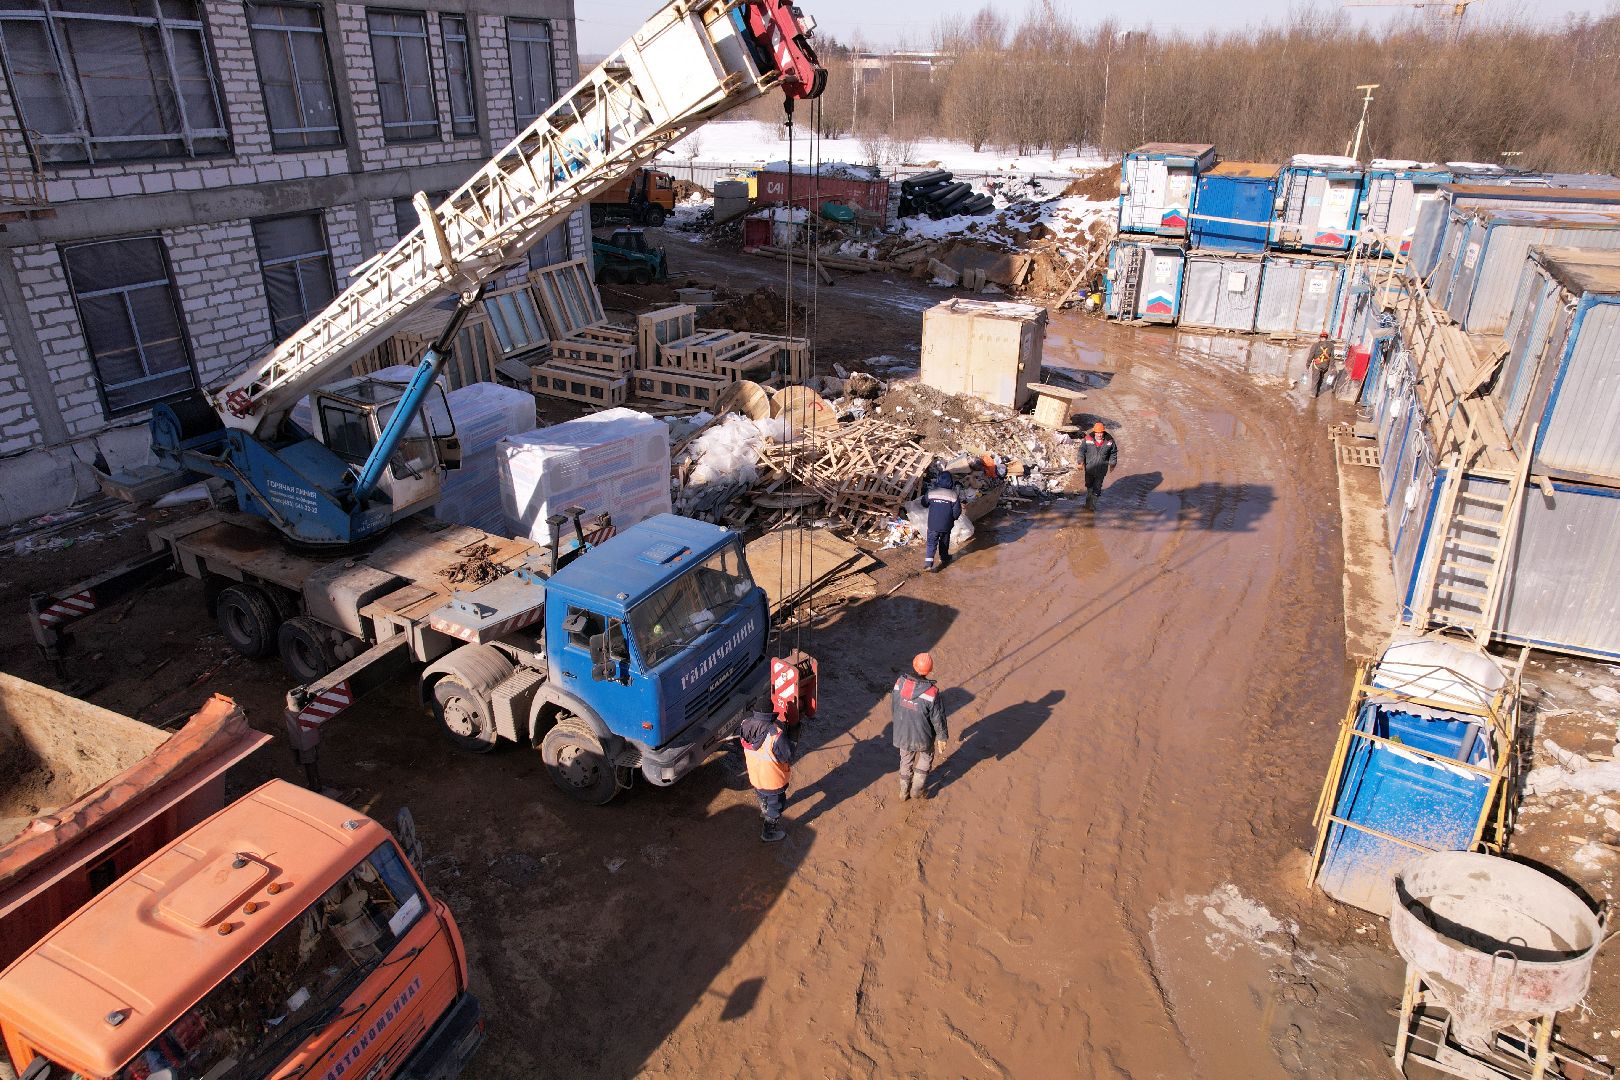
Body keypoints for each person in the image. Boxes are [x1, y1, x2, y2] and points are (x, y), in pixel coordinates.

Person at [892, 652, 951, 801]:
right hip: (924, 736)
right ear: (929, 670)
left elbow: (894, 707)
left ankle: (903, 792)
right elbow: (938, 718)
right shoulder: (932, 693)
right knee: (926, 758)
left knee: (905, 761)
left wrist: (899, 724)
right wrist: (942, 737)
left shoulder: (899, 683)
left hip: (903, 733)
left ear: (914, 665)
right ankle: (917, 790)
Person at [740, 700, 793, 842]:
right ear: (771, 714)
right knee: (776, 805)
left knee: (762, 795)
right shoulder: (776, 734)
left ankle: (764, 811)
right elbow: (787, 756)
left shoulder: (745, 725)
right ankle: (768, 832)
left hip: (755, 776)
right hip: (773, 780)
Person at [923, 473, 962, 572]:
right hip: (946, 525)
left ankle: (928, 563)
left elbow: (924, 503)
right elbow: (957, 511)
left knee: (931, 542)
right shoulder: (953, 495)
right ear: (950, 482)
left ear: (938, 480)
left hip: (932, 524)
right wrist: (952, 518)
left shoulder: (932, 492)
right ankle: (944, 558)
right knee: (944, 541)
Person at [1078, 422, 1118, 511]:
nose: (1099, 435)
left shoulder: (1109, 441)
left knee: (1097, 488)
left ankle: (1091, 507)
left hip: (1101, 469)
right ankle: (1088, 504)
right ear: (1095, 432)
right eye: (1097, 433)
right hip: (1089, 468)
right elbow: (1081, 450)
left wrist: (1112, 463)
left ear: (1103, 432)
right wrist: (1080, 461)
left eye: (1101, 433)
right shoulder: (1088, 439)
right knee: (1089, 487)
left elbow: (1113, 453)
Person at [1306, 331, 1335, 398]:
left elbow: (1311, 355)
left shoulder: (1315, 345)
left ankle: (1313, 394)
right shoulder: (1331, 345)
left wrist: (1308, 364)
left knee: (1315, 379)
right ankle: (1318, 391)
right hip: (1325, 366)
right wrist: (1332, 366)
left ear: (1320, 337)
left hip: (1317, 365)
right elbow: (1332, 357)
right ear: (1326, 338)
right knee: (1321, 378)